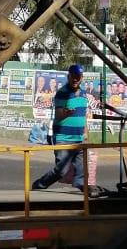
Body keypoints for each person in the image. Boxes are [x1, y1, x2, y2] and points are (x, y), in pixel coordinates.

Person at [32, 64, 98, 195]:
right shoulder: (62, 93)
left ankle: (79, 194)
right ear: (69, 76)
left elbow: (83, 117)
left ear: (81, 78)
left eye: (77, 77)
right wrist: (66, 113)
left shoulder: (84, 94)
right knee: (61, 170)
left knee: (81, 172)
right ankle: (40, 184)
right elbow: (58, 115)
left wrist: (86, 134)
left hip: (79, 139)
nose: (75, 79)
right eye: (73, 77)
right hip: (63, 139)